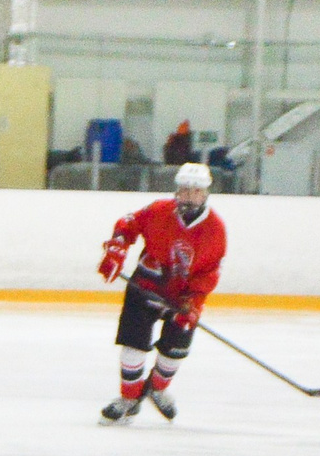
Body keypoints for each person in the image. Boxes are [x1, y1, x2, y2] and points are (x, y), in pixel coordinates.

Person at [96, 162, 224, 424]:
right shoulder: (159, 210)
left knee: (174, 350)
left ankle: (157, 388)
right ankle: (129, 399)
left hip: (182, 296)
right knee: (133, 345)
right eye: (184, 190)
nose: (189, 195)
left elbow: (210, 272)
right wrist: (116, 249)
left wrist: (194, 301)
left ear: (206, 193)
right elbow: (128, 224)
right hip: (146, 285)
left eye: (195, 191)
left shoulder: (215, 229)